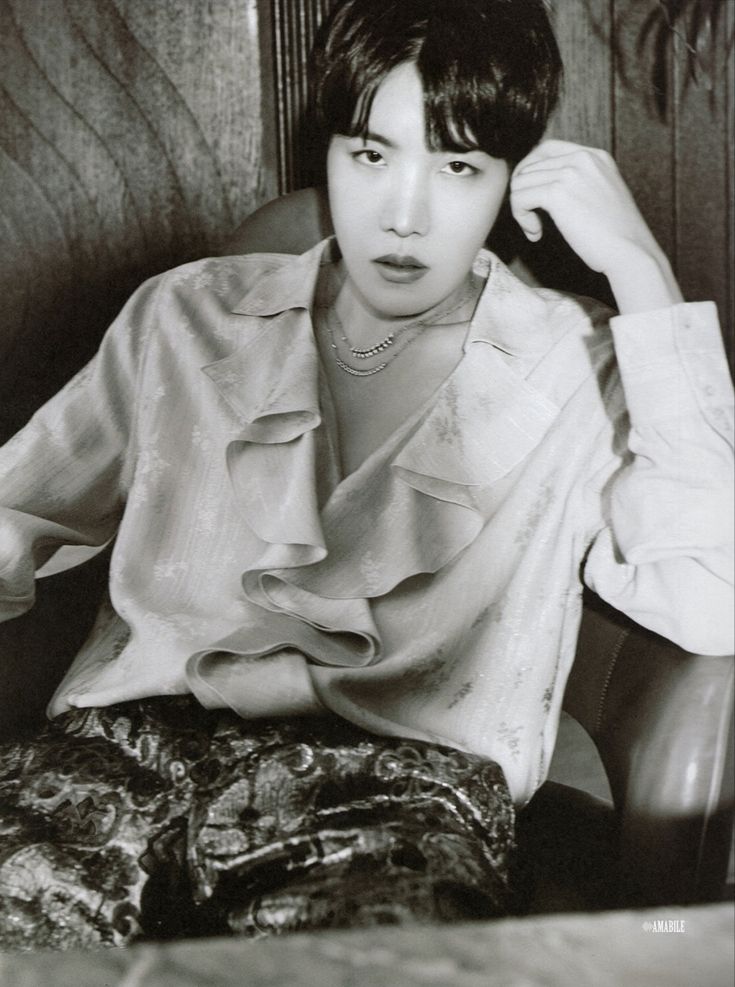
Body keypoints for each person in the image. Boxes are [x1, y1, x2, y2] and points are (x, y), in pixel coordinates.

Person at [0, 0, 732, 951]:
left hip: (398, 787)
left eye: (458, 164)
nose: (403, 213)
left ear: (517, 179)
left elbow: (718, 599)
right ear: (330, 155)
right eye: (370, 154)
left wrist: (642, 274)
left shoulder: (575, 361)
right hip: (113, 755)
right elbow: (16, 512)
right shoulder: (183, 315)